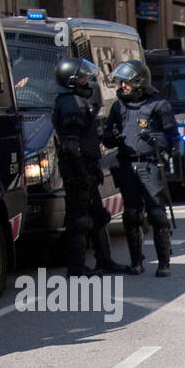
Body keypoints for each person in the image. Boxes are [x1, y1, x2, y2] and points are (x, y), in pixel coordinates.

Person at [51, 57, 128, 278]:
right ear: (73, 80)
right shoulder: (70, 104)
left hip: (87, 168)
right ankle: (76, 266)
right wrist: (82, 173)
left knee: (98, 215)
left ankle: (105, 260)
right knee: (80, 219)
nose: (87, 80)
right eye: (83, 76)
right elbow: (71, 145)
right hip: (78, 171)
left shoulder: (76, 100)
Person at [102, 59, 178, 276]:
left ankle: (164, 263)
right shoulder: (118, 107)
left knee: (157, 214)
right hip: (127, 164)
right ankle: (136, 262)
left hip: (150, 164)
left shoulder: (158, 105)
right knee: (132, 215)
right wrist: (111, 136)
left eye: (127, 82)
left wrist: (158, 142)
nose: (123, 86)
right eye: (122, 82)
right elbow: (107, 139)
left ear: (139, 82)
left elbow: (173, 137)